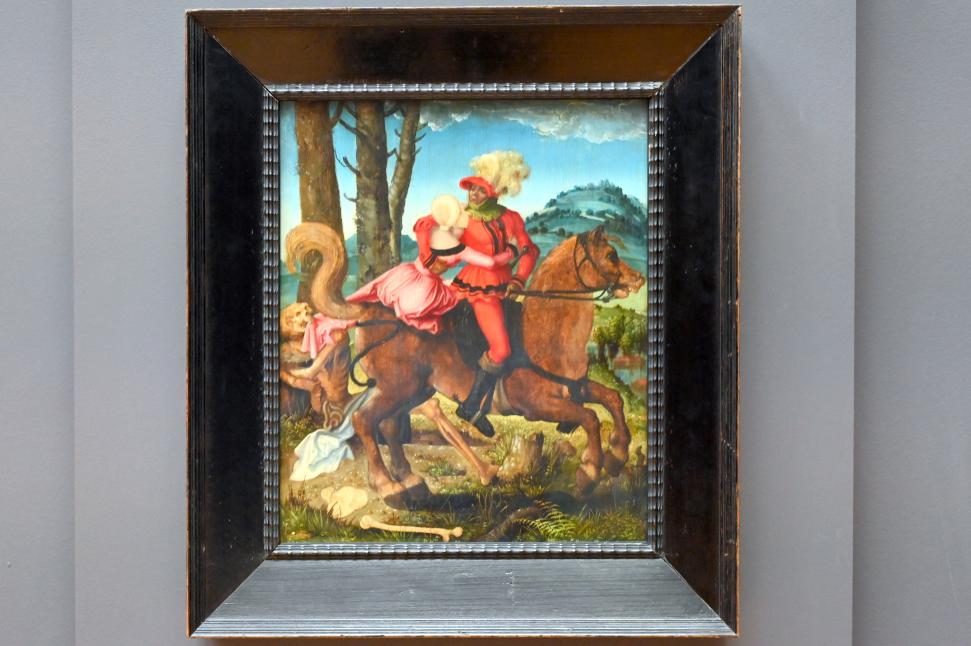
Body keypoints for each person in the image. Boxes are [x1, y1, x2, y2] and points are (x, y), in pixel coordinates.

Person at [301, 194, 514, 351]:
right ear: (455, 224)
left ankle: (323, 322)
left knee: (365, 299)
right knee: (461, 294)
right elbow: (490, 262)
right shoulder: (457, 247)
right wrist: (511, 251)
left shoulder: (434, 229)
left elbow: (428, 223)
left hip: (406, 275)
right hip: (423, 290)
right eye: (463, 226)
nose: (464, 231)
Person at [450, 151, 540, 433]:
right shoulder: (462, 218)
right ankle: (470, 406)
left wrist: (520, 278)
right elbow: (445, 251)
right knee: (500, 349)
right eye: (472, 188)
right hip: (478, 287)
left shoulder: (511, 218)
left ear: (495, 192)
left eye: (480, 189)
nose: (473, 194)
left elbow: (529, 250)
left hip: (506, 286)